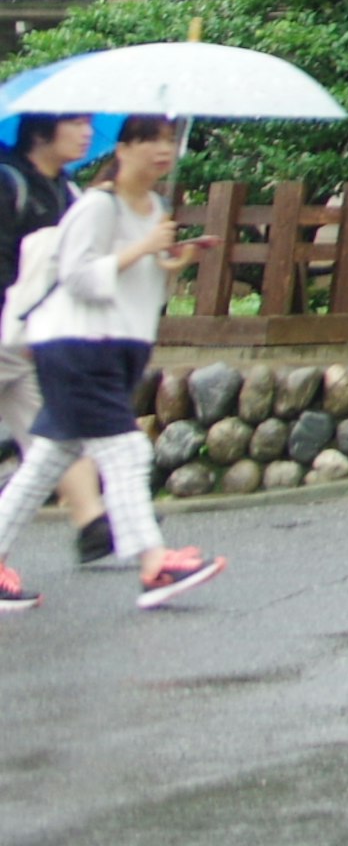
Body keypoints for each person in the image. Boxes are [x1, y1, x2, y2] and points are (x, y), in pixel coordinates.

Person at [0, 116, 223, 612]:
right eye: (149, 140)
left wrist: (168, 260)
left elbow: (131, 275)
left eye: (168, 140)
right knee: (125, 452)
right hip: (77, 346)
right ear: (123, 149)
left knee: (47, 462)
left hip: (115, 345)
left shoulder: (155, 208)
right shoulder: (97, 206)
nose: (162, 151)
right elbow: (78, 275)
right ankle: (153, 562)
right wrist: (143, 248)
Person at [0, 113, 109, 573]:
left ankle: (93, 523)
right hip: (8, 329)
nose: (86, 132)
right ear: (43, 130)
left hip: (25, 337)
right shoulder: (8, 183)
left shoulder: (66, 190)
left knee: (55, 427)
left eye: (88, 123)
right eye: (76, 122)